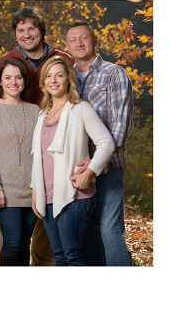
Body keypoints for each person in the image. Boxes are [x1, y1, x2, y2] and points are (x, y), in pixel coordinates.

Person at [0, 7, 74, 267]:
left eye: (31, 29)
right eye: (20, 30)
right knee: (12, 239)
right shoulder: (7, 61)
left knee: (47, 233)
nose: (26, 35)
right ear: (15, 34)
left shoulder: (63, 59)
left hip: (54, 155)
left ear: (41, 31)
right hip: (15, 161)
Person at [30, 57, 114, 266]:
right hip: (47, 195)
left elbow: (106, 143)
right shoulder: (43, 115)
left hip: (74, 195)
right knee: (59, 256)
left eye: (59, 75)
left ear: (68, 78)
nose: (53, 80)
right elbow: (38, 157)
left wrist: (89, 173)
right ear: (43, 82)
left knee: (74, 255)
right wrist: (35, 191)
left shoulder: (80, 109)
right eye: (48, 76)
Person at [65, 20, 135, 266]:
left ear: (95, 41)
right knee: (87, 233)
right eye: (73, 40)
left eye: (84, 38)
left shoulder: (114, 74)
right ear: (67, 46)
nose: (79, 43)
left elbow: (120, 129)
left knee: (108, 229)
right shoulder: (67, 77)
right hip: (77, 169)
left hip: (107, 169)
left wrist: (94, 167)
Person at [0, 58, 41, 265]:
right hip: (5, 191)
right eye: (8, 78)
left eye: (18, 77)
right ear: (0, 82)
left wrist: (39, 188)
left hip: (31, 191)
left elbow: (40, 151)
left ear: (24, 81)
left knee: (24, 243)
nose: (13, 82)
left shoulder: (35, 111)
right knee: (12, 242)